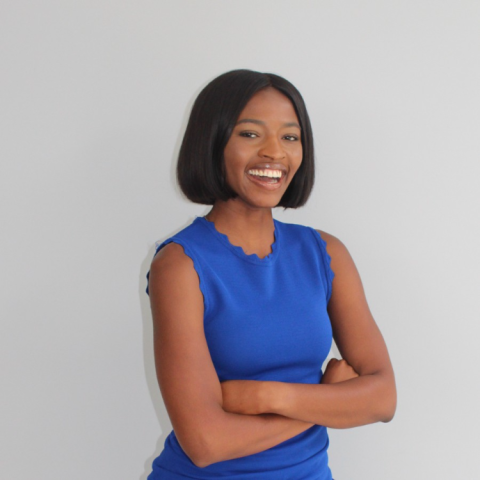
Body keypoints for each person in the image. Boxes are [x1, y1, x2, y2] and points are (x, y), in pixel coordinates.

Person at [145, 69, 396, 479]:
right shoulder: (180, 265)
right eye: (249, 134)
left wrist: (264, 395)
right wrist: (327, 401)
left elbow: (382, 398)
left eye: (290, 137)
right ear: (213, 142)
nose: (274, 153)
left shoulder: (325, 253)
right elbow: (207, 444)